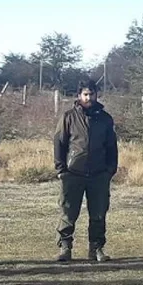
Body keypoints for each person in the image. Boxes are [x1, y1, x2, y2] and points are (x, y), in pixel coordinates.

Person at [53, 78, 118, 263]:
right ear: (79, 95)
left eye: (92, 94)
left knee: (98, 213)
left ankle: (96, 248)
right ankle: (65, 247)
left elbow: (112, 146)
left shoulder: (105, 118)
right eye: (85, 94)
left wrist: (110, 169)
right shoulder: (68, 117)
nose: (88, 97)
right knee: (68, 212)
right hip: (73, 173)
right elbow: (59, 143)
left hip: (99, 174)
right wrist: (61, 169)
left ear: (97, 95)